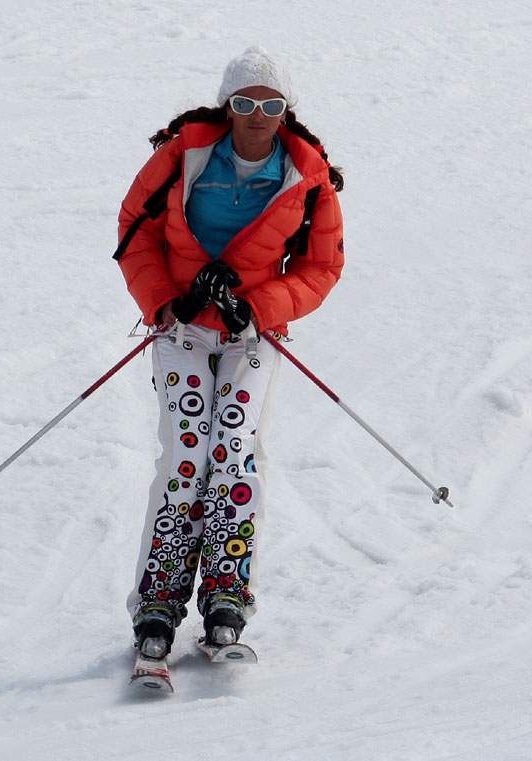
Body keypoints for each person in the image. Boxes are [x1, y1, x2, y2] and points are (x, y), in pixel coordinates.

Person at [115, 46, 345, 659]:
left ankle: (227, 595)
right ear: (228, 105)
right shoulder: (182, 156)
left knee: (235, 452)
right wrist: (165, 302)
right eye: (244, 102)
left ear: (286, 111)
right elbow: (133, 233)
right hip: (183, 330)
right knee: (186, 452)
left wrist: (260, 307)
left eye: (270, 105)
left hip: (253, 335)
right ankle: (158, 602)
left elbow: (321, 268)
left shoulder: (308, 175)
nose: (256, 115)